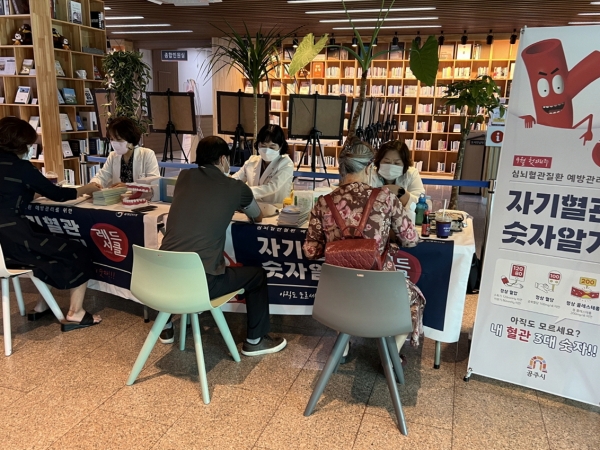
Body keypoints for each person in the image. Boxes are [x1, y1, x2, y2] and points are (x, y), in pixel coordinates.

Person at [159, 136, 287, 356]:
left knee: (178, 256)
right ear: (222, 159)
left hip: (162, 279)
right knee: (257, 276)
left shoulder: (184, 177)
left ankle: (166, 325)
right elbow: (256, 216)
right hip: (201, 283)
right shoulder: (235, 187)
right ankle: (255, 341)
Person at [303, 139, 426, 358]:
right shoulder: (386, 198)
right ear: (370, 168)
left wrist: (337, 243)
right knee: (416, 299)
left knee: (344, 289)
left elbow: (310, 251)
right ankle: (392, 355)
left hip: (337, 292)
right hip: (380, 290)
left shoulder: (323, 202)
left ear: (342, 167)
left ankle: (343, 349)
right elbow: (410, 239)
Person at [0, 117, 102, 330]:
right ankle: (75, 312)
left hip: (3, 248)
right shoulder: (21, 167)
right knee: (77, 250)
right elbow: (58, 194)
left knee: (50, 244)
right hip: (15, 242)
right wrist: (87, 189)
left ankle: (42, 304)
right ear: (20, 144)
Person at [90, 117, 159, 188]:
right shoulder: (113, 156)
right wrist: (94, 183)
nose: (114, 143)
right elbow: (102, 176)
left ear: (130, 139)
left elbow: (154, 183)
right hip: (118, 195)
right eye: (112, 139)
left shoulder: (147, 154)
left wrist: (129, 186)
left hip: (140, 195)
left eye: (119, 139)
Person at [232, 124, 293, 204]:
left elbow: (272, 187)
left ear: (280, 146)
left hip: (276, 208)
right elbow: (236, 179)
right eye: (263, 146)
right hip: (253, 207)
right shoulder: (252, 160)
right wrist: (225, 184)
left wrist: (245, 192)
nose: (267, 151)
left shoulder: (286, 164)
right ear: (258, 144)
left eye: (272, 147)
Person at [367, 139, 425, 207]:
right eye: (387, 162)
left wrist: (398, 191)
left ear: (405, 164)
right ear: (379, 161)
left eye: (397, 163)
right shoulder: (369, 173)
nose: (391, 166)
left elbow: (420, 204)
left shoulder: (411, 174)